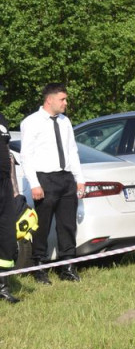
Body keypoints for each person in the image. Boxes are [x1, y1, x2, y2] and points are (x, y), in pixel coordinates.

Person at [20, 83, 85, 284]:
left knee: (67, 224)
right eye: (62, 99)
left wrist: (79, 179)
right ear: (50, 99)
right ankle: (39, 266)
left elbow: (72, 151)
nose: (65, 103)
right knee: (42, 225)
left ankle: (67, 265)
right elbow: (26, 155)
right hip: (45, 179)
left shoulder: (65, 122)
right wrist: (34, 183)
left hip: (65, 178)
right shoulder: (31, 122)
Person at [0, 113, 20, 302]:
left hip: (5, 184)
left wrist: (15, 190)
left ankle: (3, 288)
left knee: (6, 236)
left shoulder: (2, 119)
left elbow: (8, 155)